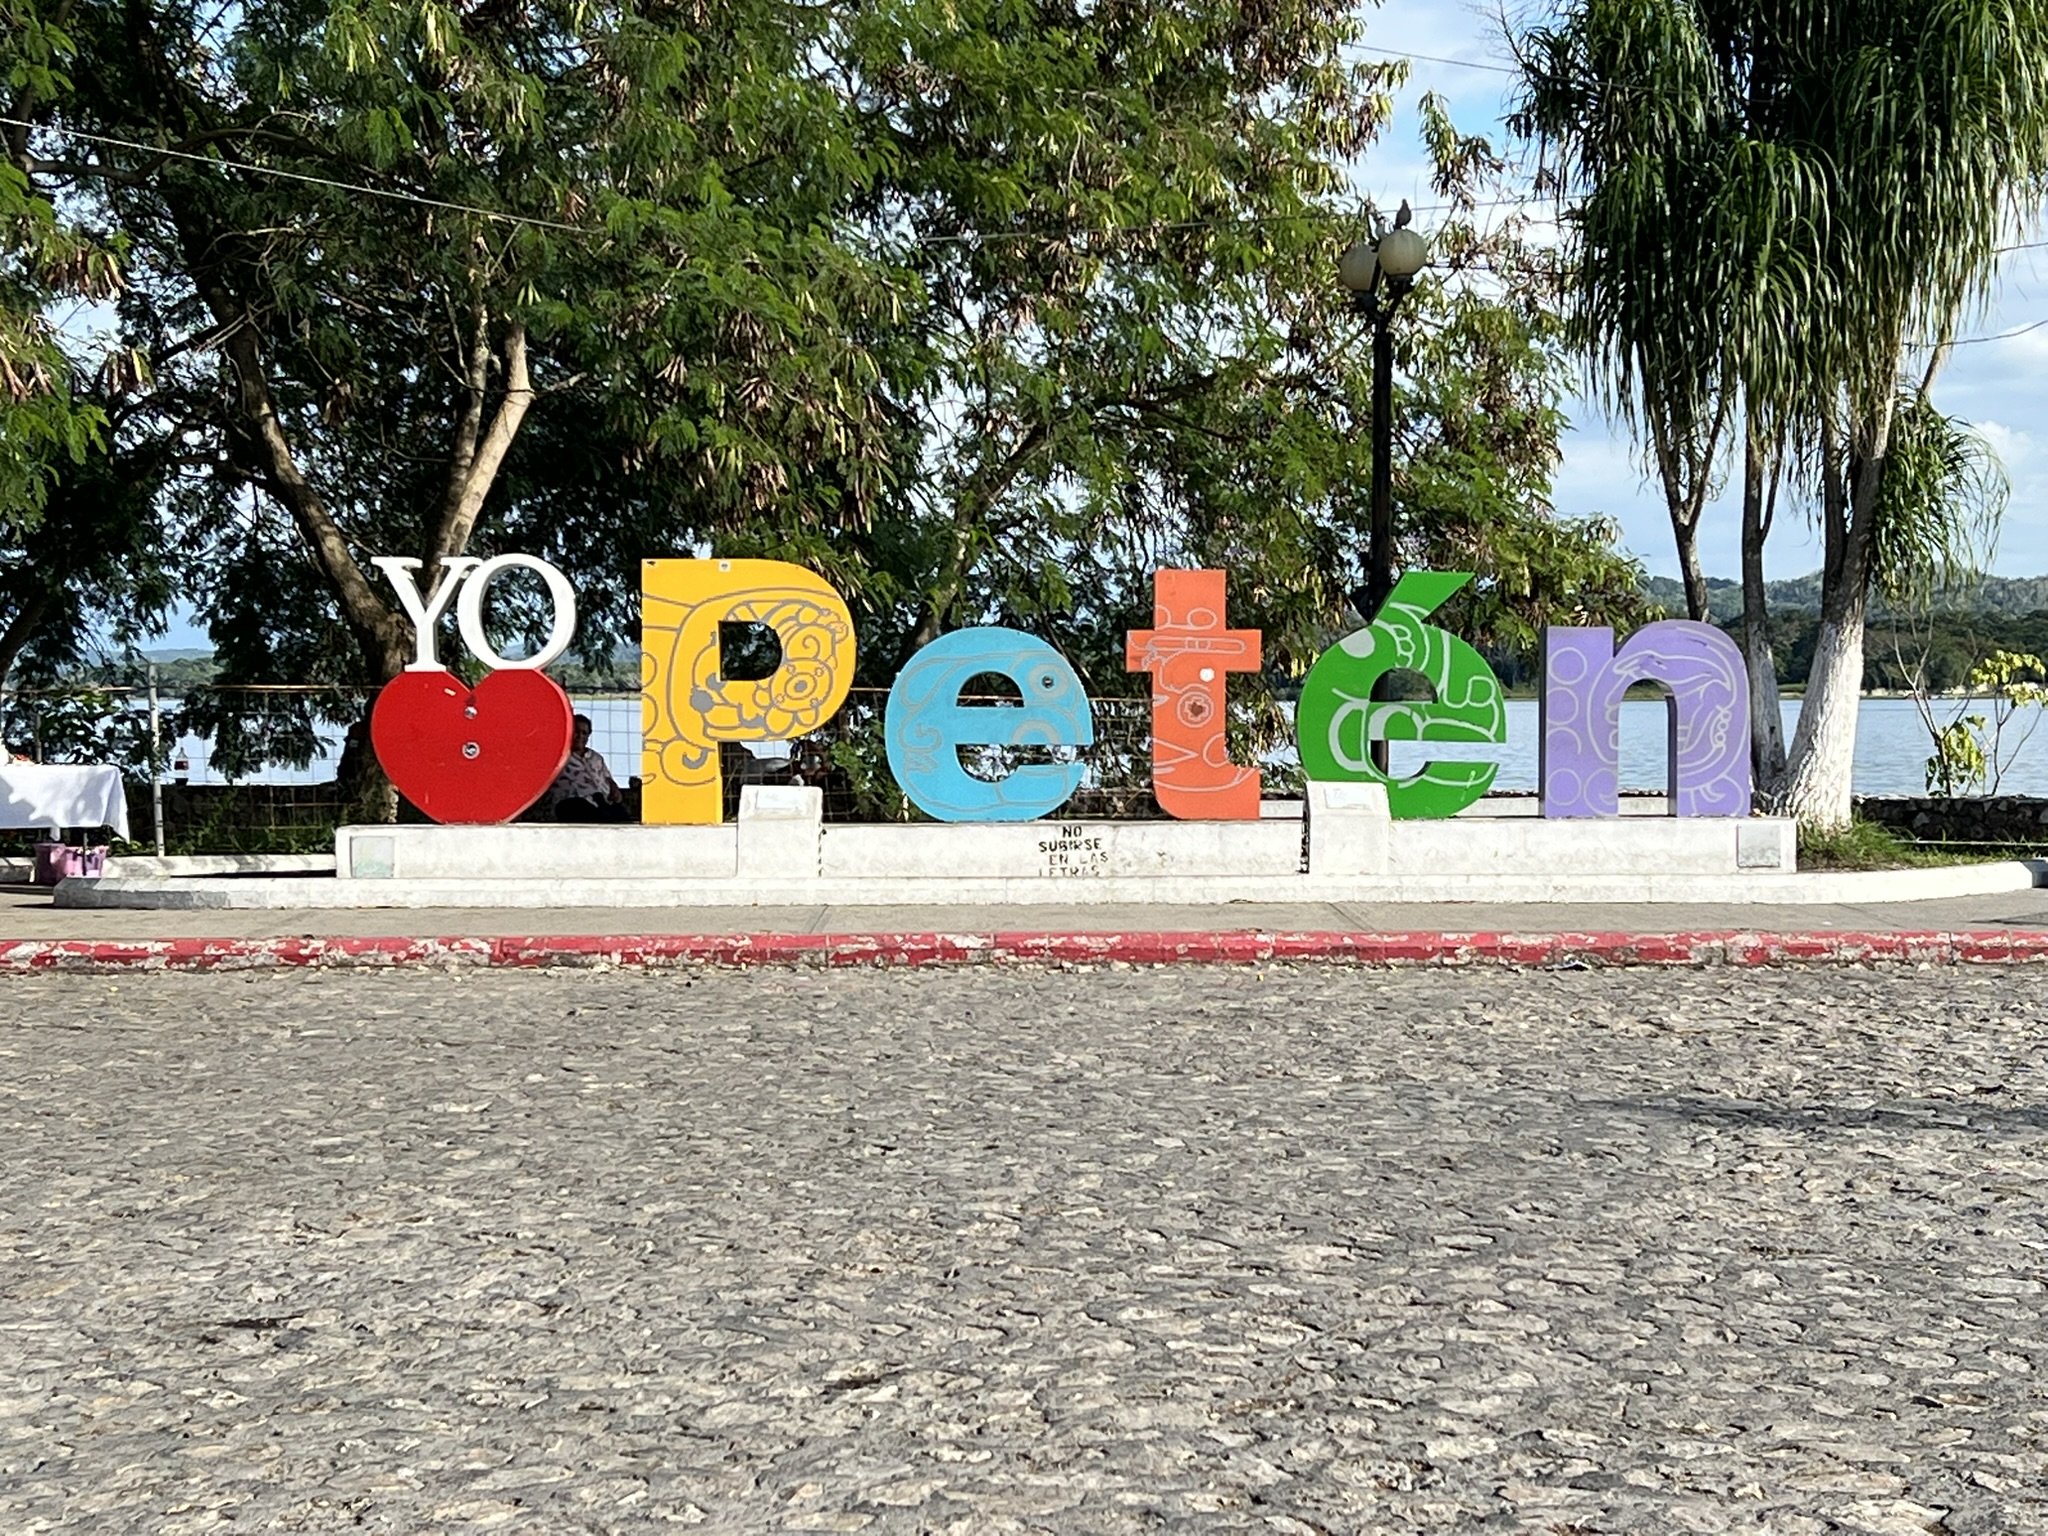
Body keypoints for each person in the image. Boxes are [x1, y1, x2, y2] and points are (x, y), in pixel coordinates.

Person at [548, 715, 629, 822]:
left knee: (622, 817)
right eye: (576, 731)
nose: (580, 736)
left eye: (584, 733)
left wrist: (614, 788)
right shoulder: (557, 756)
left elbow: (608, 778)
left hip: (603, 803)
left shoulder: (596, 757)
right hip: (572, 802)